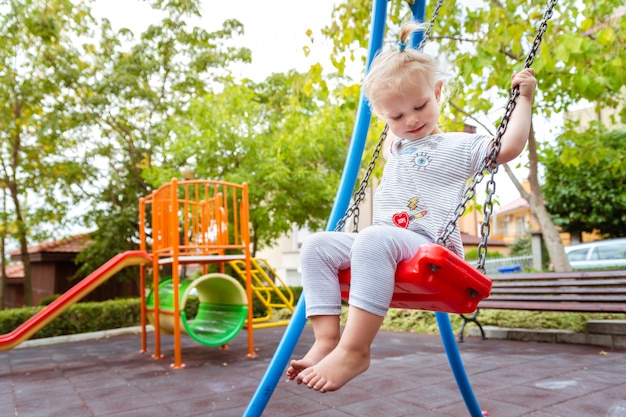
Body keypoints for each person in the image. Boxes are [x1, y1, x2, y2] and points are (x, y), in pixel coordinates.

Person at [286, 21, 537, 393]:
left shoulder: (461, 146)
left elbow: (510, 147)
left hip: (426, 241)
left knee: (373, 238)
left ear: (437, 93)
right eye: (397, 116)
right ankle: (327, 340)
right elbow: (392, 109)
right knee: (316, 246)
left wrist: (525, 100)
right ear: (385, 118)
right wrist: (398, 54)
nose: (412, 120)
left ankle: (355, 351)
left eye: (419, 106)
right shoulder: (396, 145)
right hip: (385, 242)